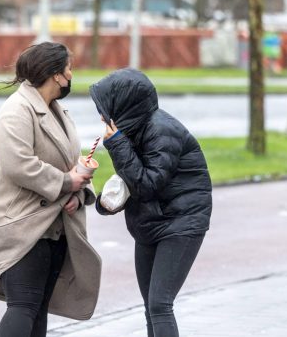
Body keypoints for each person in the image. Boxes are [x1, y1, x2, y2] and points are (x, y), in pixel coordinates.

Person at [0, 42, 102, 337]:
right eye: (68, 68)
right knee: (24, 305)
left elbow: (63, 162)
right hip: (19, 225)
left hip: (52, 225)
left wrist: (77, 192)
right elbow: (19, 165)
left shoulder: (55, 110)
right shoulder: (16, 111)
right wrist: (67, 183)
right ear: (55, 75)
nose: (71, 74)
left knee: (37, 307)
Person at [90, 68, 213, 337]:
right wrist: (106, 202)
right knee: (150, 306)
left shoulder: (161, 130)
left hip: (181, 223)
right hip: (151, 223)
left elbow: (146, 184)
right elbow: (132, 180)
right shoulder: (134, 128)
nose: (101, 115)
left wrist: (118, 145)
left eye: (105, 107)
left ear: (124, 105)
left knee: (159, 304)